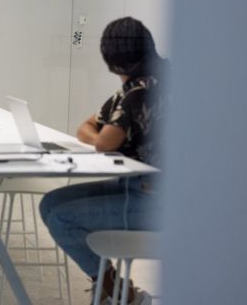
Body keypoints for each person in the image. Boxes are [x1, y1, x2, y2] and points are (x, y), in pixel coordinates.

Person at [39, 17, 167, 305]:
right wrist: (100, 135)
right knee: (49, 204)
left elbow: (103, 142)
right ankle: (116, 290)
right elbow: (87, 127)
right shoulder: (136, 86)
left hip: (157, 200)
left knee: (60, 217)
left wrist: (100, 136)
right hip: (134, 187)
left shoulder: (138, 91)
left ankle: (118, 293)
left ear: (113, 59)